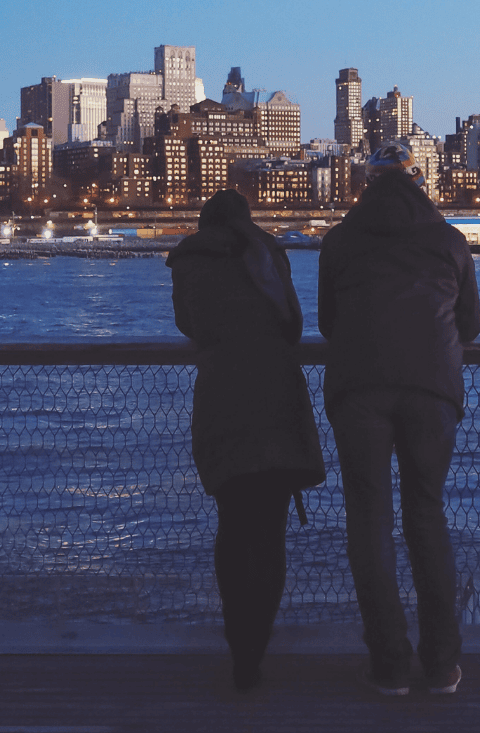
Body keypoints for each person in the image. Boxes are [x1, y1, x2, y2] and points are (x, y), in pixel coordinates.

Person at [317, 143, 480, 696]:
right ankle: (440, 664)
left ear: (367, 183)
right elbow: (471, 325)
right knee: (426, 517)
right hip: (431, 388)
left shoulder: (340, 240)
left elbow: (327, 322)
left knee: (369, 520)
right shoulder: (449, 240)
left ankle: (389, 663)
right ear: (416, 180)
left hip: (358, 389)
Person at [167, 189, 326, 691]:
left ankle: (241, 647)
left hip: (222, 399)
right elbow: (294, 326)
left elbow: (188, 324)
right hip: (276, 397)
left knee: (233, 527)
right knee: (271, 532)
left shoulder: (188, 259)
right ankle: (257, 643)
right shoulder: (269, 252)